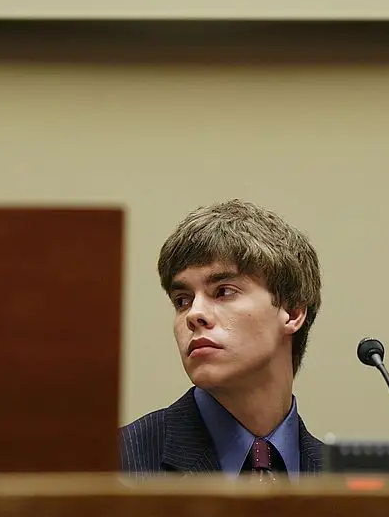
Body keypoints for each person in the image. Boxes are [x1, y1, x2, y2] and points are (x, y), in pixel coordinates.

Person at [119, 198, 323, 476]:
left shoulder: (348, 483)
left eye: (224, 291)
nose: (194, 314)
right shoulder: (115, 466)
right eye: (182, 300)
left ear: (292, 311)